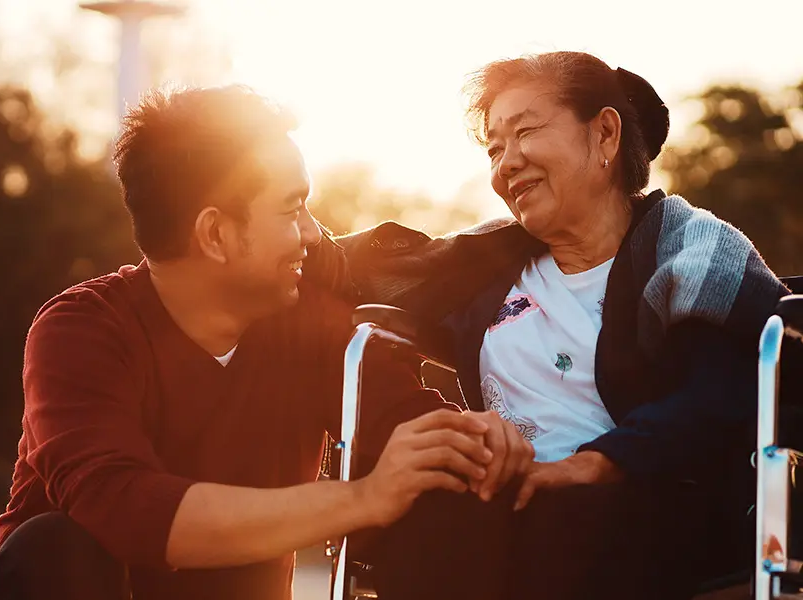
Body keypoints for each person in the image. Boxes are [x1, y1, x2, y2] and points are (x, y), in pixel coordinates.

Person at [0, 85, 506, 600]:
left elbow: (416, 433)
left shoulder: (311, 326)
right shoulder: (80, 331)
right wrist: (362, 498)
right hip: (62, 585)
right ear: (216, 234)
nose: (314, 235)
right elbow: (130, 511)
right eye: (292, 210)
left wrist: (511, 448)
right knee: (54, 548)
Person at [310, 51, 792, 599]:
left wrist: (594, 465)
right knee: (421, 511)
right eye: (495, 149)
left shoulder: (689, 248)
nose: (506, 163)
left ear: (605, 135)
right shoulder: (482, 264)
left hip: (646, 503)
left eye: (526, 131)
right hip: (504, 505)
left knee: (561, 523)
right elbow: (353, 273)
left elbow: (722, 393)